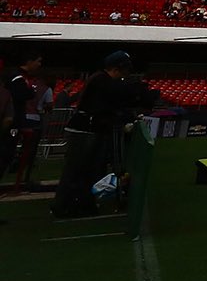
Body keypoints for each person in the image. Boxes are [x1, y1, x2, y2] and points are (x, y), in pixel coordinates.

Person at [52, 51, 157, 218]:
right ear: (118, 68)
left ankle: (82, 204)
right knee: (77, 170)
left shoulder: (100, 79)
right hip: (84, 131)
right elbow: (116, 99)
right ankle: (65, 206)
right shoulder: (102, 81)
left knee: (87, 170)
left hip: (88, 129)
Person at [3, 53, 46, 192]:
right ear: (29, 61)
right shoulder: (17, 78)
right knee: (5, 152)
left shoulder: (19, 77)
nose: (40, 64)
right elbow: (24, 94)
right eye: (38, 61)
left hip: (13, 120)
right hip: (11, 122)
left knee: (8, 153)